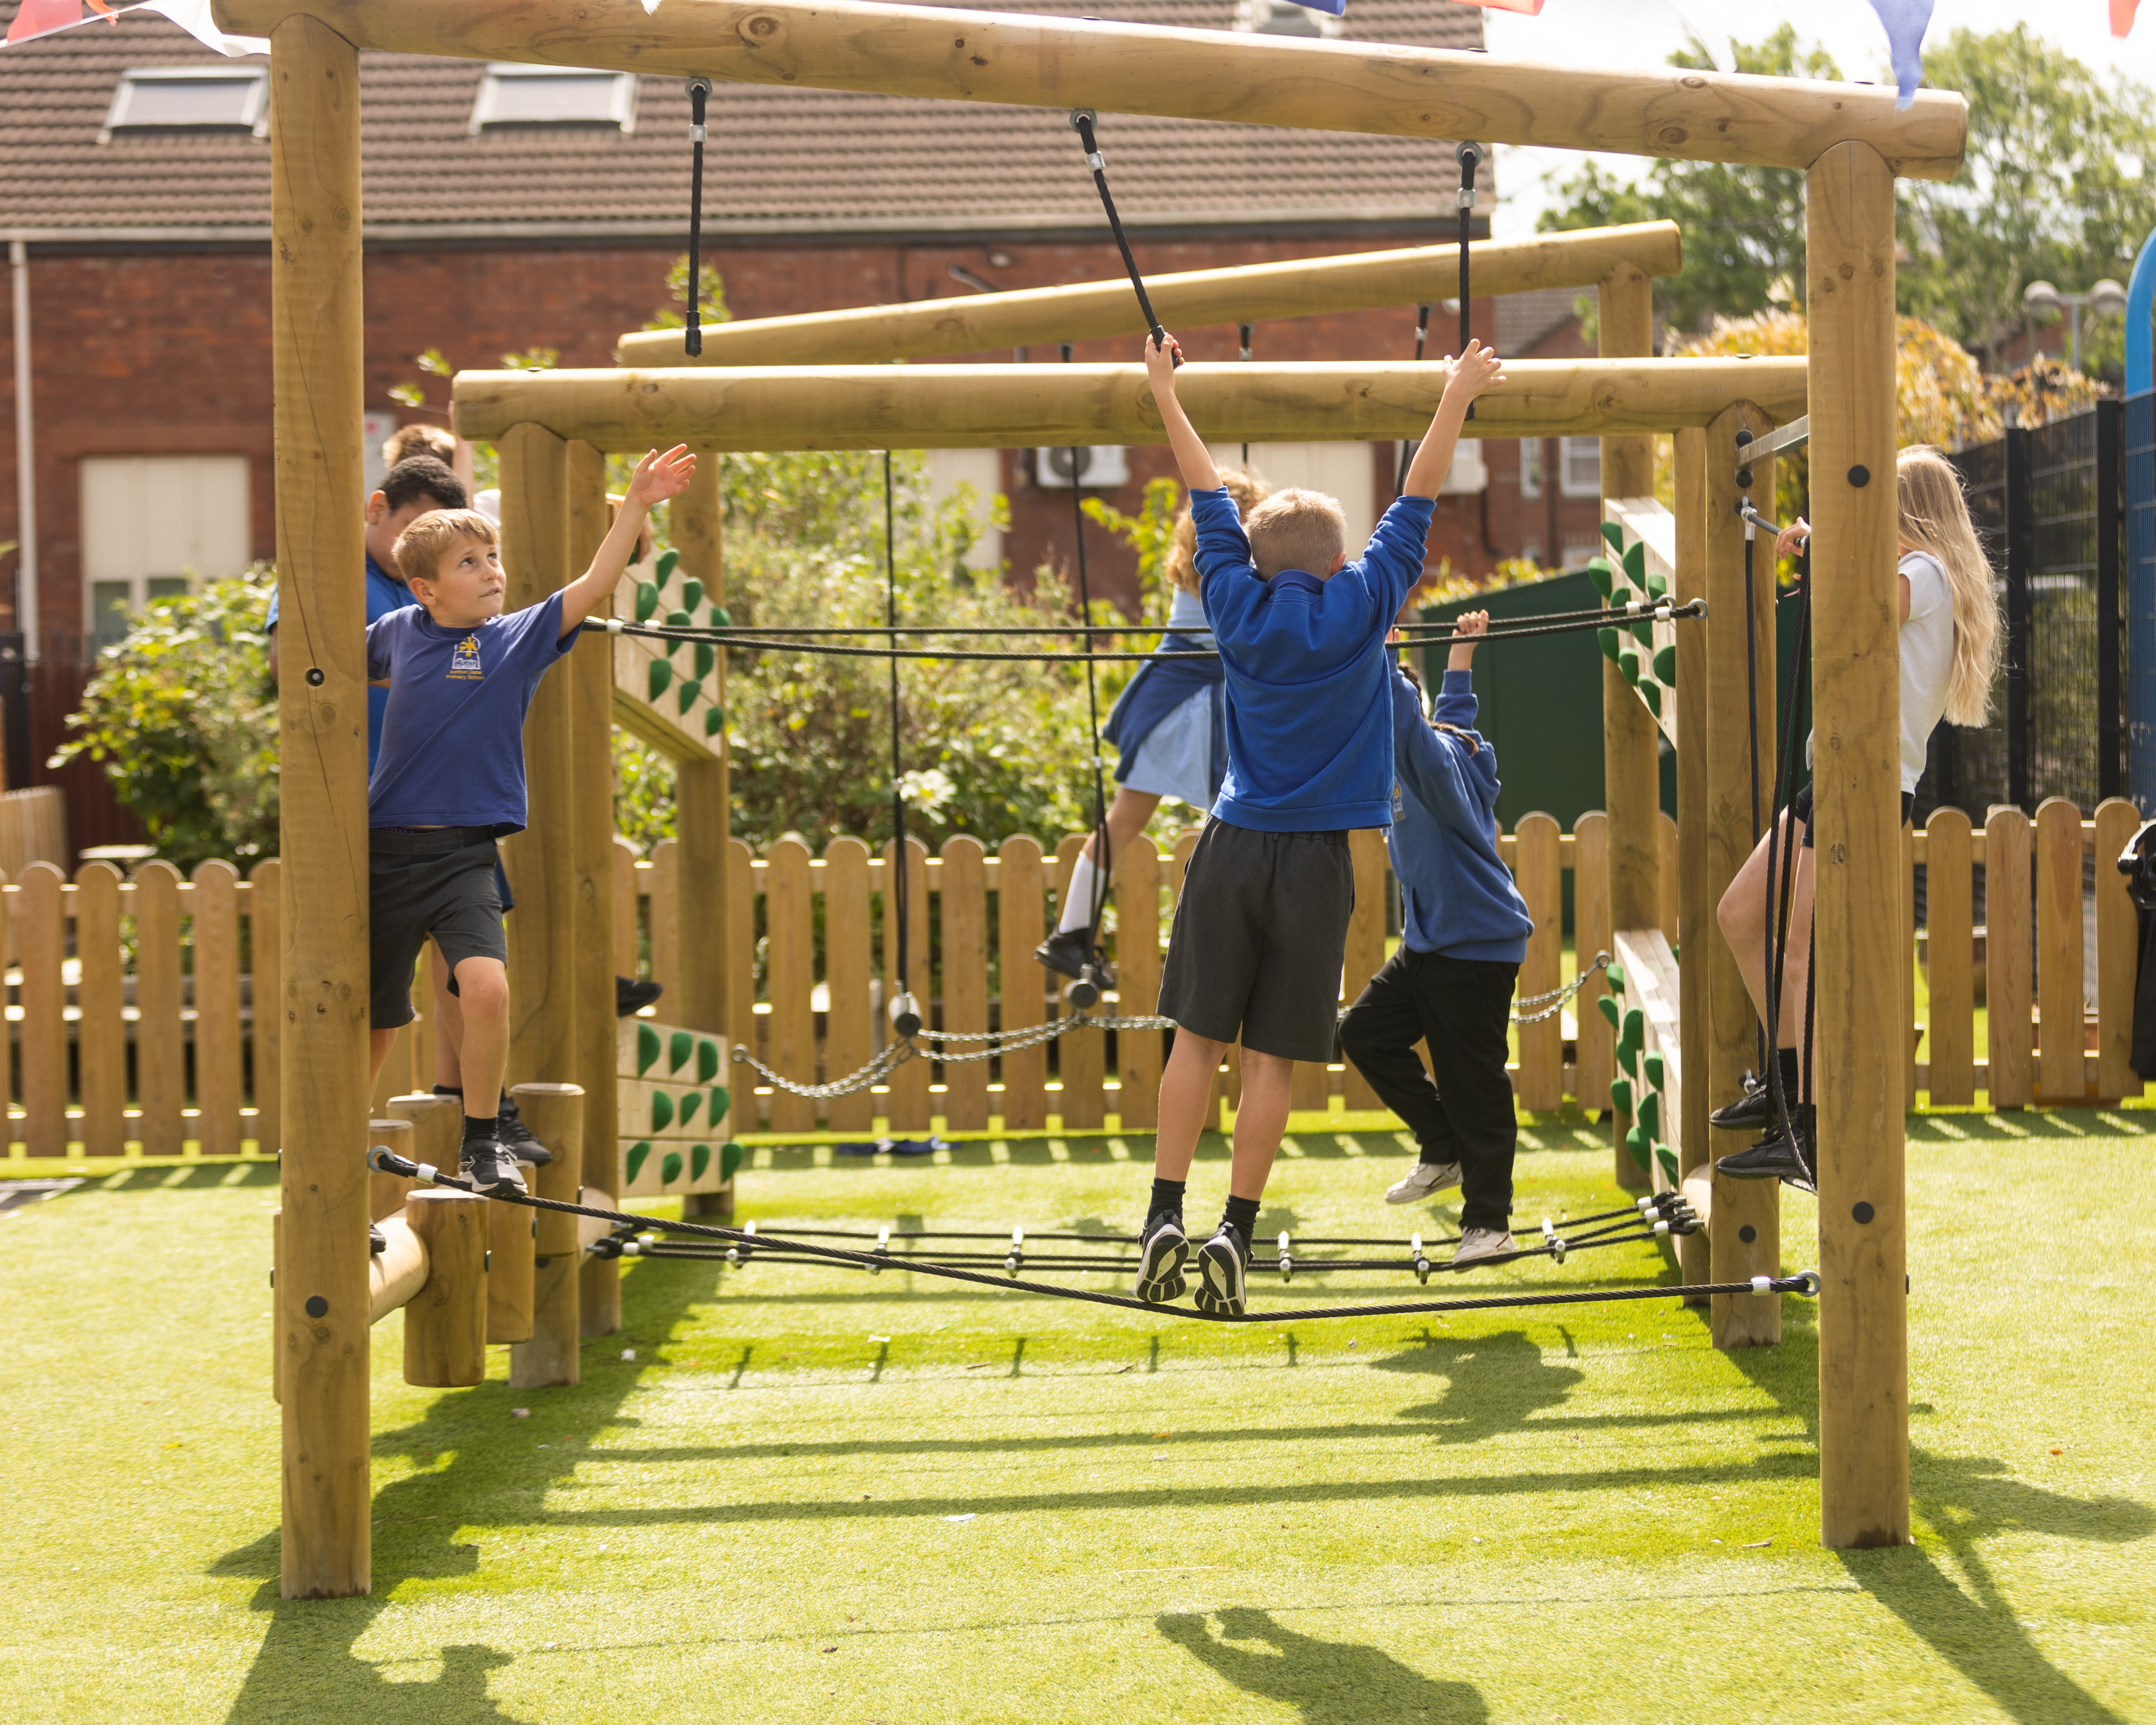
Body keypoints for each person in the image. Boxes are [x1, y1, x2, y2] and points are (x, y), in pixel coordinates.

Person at [1132, 329, 1505, 1315]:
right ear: (1346, 563)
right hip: (1315, 866)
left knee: (1195, 1045)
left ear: (1250, 563)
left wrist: (1166, 391)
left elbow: (1208, 490)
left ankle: (1163, 1216)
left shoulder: (1233, 603)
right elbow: (1419, 493)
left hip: (1231, 845)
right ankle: (1234, 1235)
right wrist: (1456, 392)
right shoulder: (1368, 602)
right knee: (1268, 1063)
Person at [365, 444, 698, 1194]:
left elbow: (593, 584)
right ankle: (336, 1138)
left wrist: (637, 507)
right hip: (383, 852)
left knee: (484, 988)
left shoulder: (511, 641)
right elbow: (329, 659)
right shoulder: (398, 634)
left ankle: (483, 1141)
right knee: (379, 1019)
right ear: (424, 589)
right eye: (469, 565)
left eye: (492, 557)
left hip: (464, 856)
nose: (491, 572)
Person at [1713, 446, 2002, 1188]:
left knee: (1800, 946)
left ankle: (1803, 1129)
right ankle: (1783, 1095)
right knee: (1742, 915)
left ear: (1906, 511)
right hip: (1839, 776)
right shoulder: (1919, 574)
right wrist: (1821, 543)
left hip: (1864, 783)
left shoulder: (1926, 577)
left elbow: (1867, 609)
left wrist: (1822, 542)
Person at [1338, 613, 1533, 1264]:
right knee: (1362, 1034)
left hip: (1474, 947)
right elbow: (1453, 715)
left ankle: (1490, 1223)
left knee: (1474, 1080)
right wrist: (1460, 660)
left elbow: (1411, 723)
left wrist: (1382, 658)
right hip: (1429, 945)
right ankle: (1442, 1143)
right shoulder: (1446, 744)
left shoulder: (1427, 762)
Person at [1035, 467, 1271, 985]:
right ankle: (1234, 937)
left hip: (1172, 704)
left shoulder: (1195, 569)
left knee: (1127, 823)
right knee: (1234, 824)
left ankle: (1072, 932)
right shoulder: (1229, 576)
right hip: (1192, 708)